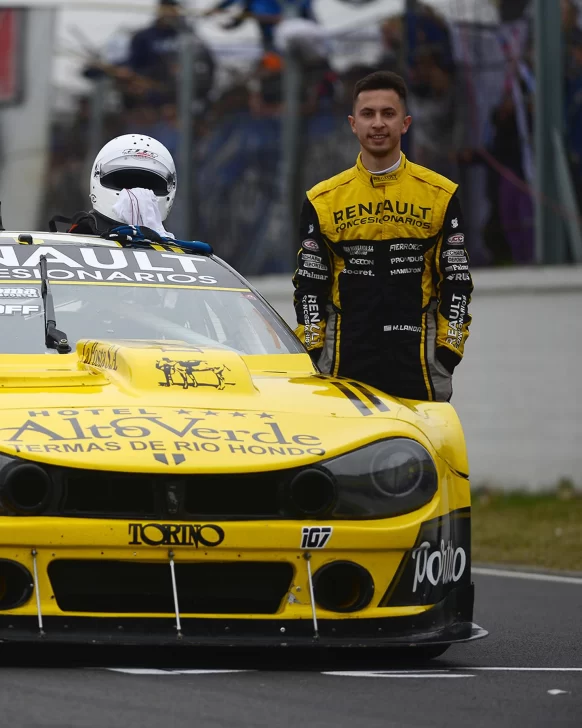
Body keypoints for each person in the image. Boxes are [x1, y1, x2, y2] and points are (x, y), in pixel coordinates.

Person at [292, 70, 473, 402]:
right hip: (343, 366)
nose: (378, 123)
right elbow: (309, 286)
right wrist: (315, 352)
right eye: (368, 114)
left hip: (419, 366)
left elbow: (456, 281)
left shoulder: (441, 194)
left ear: (405, 123)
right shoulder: (322, 200)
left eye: (388, 114)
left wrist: (447, 353)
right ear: (353, 123)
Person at [49, 133, 178, 239]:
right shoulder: (75, 240)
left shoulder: (180, 253)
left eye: (148, 184)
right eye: (123, 180)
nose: (136, 193)